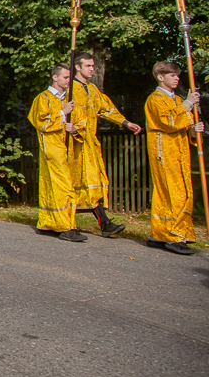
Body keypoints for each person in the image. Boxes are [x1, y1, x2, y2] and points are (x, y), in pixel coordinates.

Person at [69, 52, 140, 237]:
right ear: (78, 67)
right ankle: (69, 223)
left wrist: (124, 123)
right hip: (73, 144)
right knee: (73, 184)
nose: (92, 69)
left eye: (93, 66)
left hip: (90, 143)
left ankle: (104, 223)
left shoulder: (92, 89)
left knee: (92, 183)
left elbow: (106, 108)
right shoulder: (69, 89)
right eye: (88, 66)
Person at [145, 62, 204, 255]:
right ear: (161, 77)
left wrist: (193, 130)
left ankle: (162, 233)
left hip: (180, 152)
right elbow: (168, 121)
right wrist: (188, 104)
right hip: (164, 152)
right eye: (172, 75)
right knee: (172, 194)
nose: (176, 78)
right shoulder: (155, 99)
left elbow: (183, 124)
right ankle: (172, 234)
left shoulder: (178, 99)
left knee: (182, 192)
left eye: (178, 75)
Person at [28, 64, 84, 242]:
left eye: (70, 77)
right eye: (66, 77)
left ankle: (52, 223)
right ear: (55, 77)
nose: (69, 81)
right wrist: (62, 113)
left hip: (66, 149)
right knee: (62, 186)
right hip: (52, 149)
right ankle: (64, 225)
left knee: (64, 185)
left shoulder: (70, 98)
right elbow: (40, 122)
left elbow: (81, 121)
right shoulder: (42, 98)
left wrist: (74, 129)